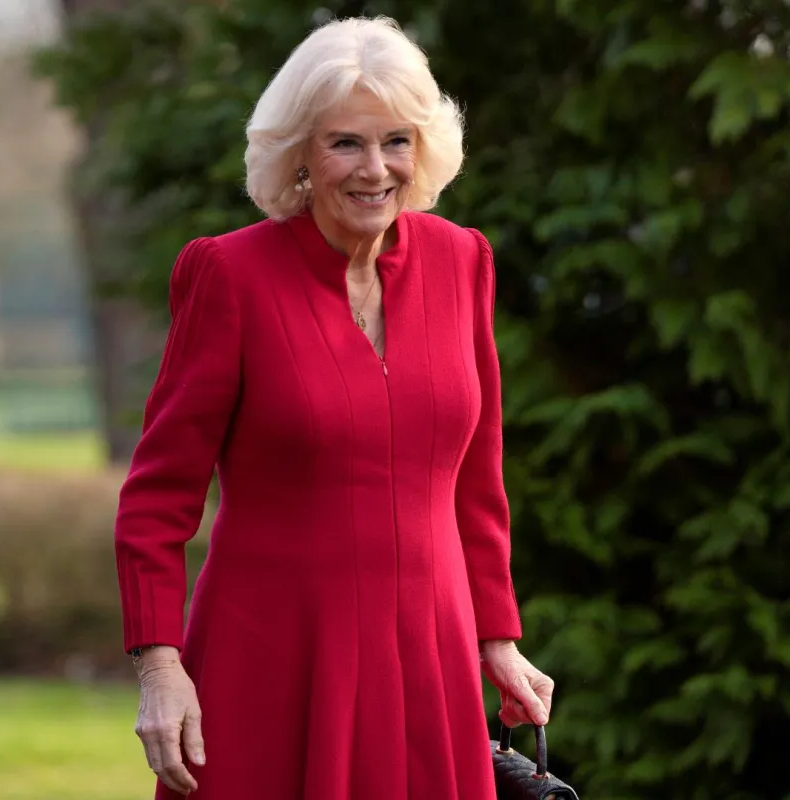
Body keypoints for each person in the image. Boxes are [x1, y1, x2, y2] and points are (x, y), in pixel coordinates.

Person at [113, 15, 555, 800]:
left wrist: (496, 636)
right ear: (299, 158)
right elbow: (156, 499)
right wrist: (160, 666)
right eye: (345, 142)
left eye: (396, 141)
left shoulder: (463, 261)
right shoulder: (230, 276)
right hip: (272, 664)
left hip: (431, 658)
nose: (375, 168)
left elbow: (476, 481)